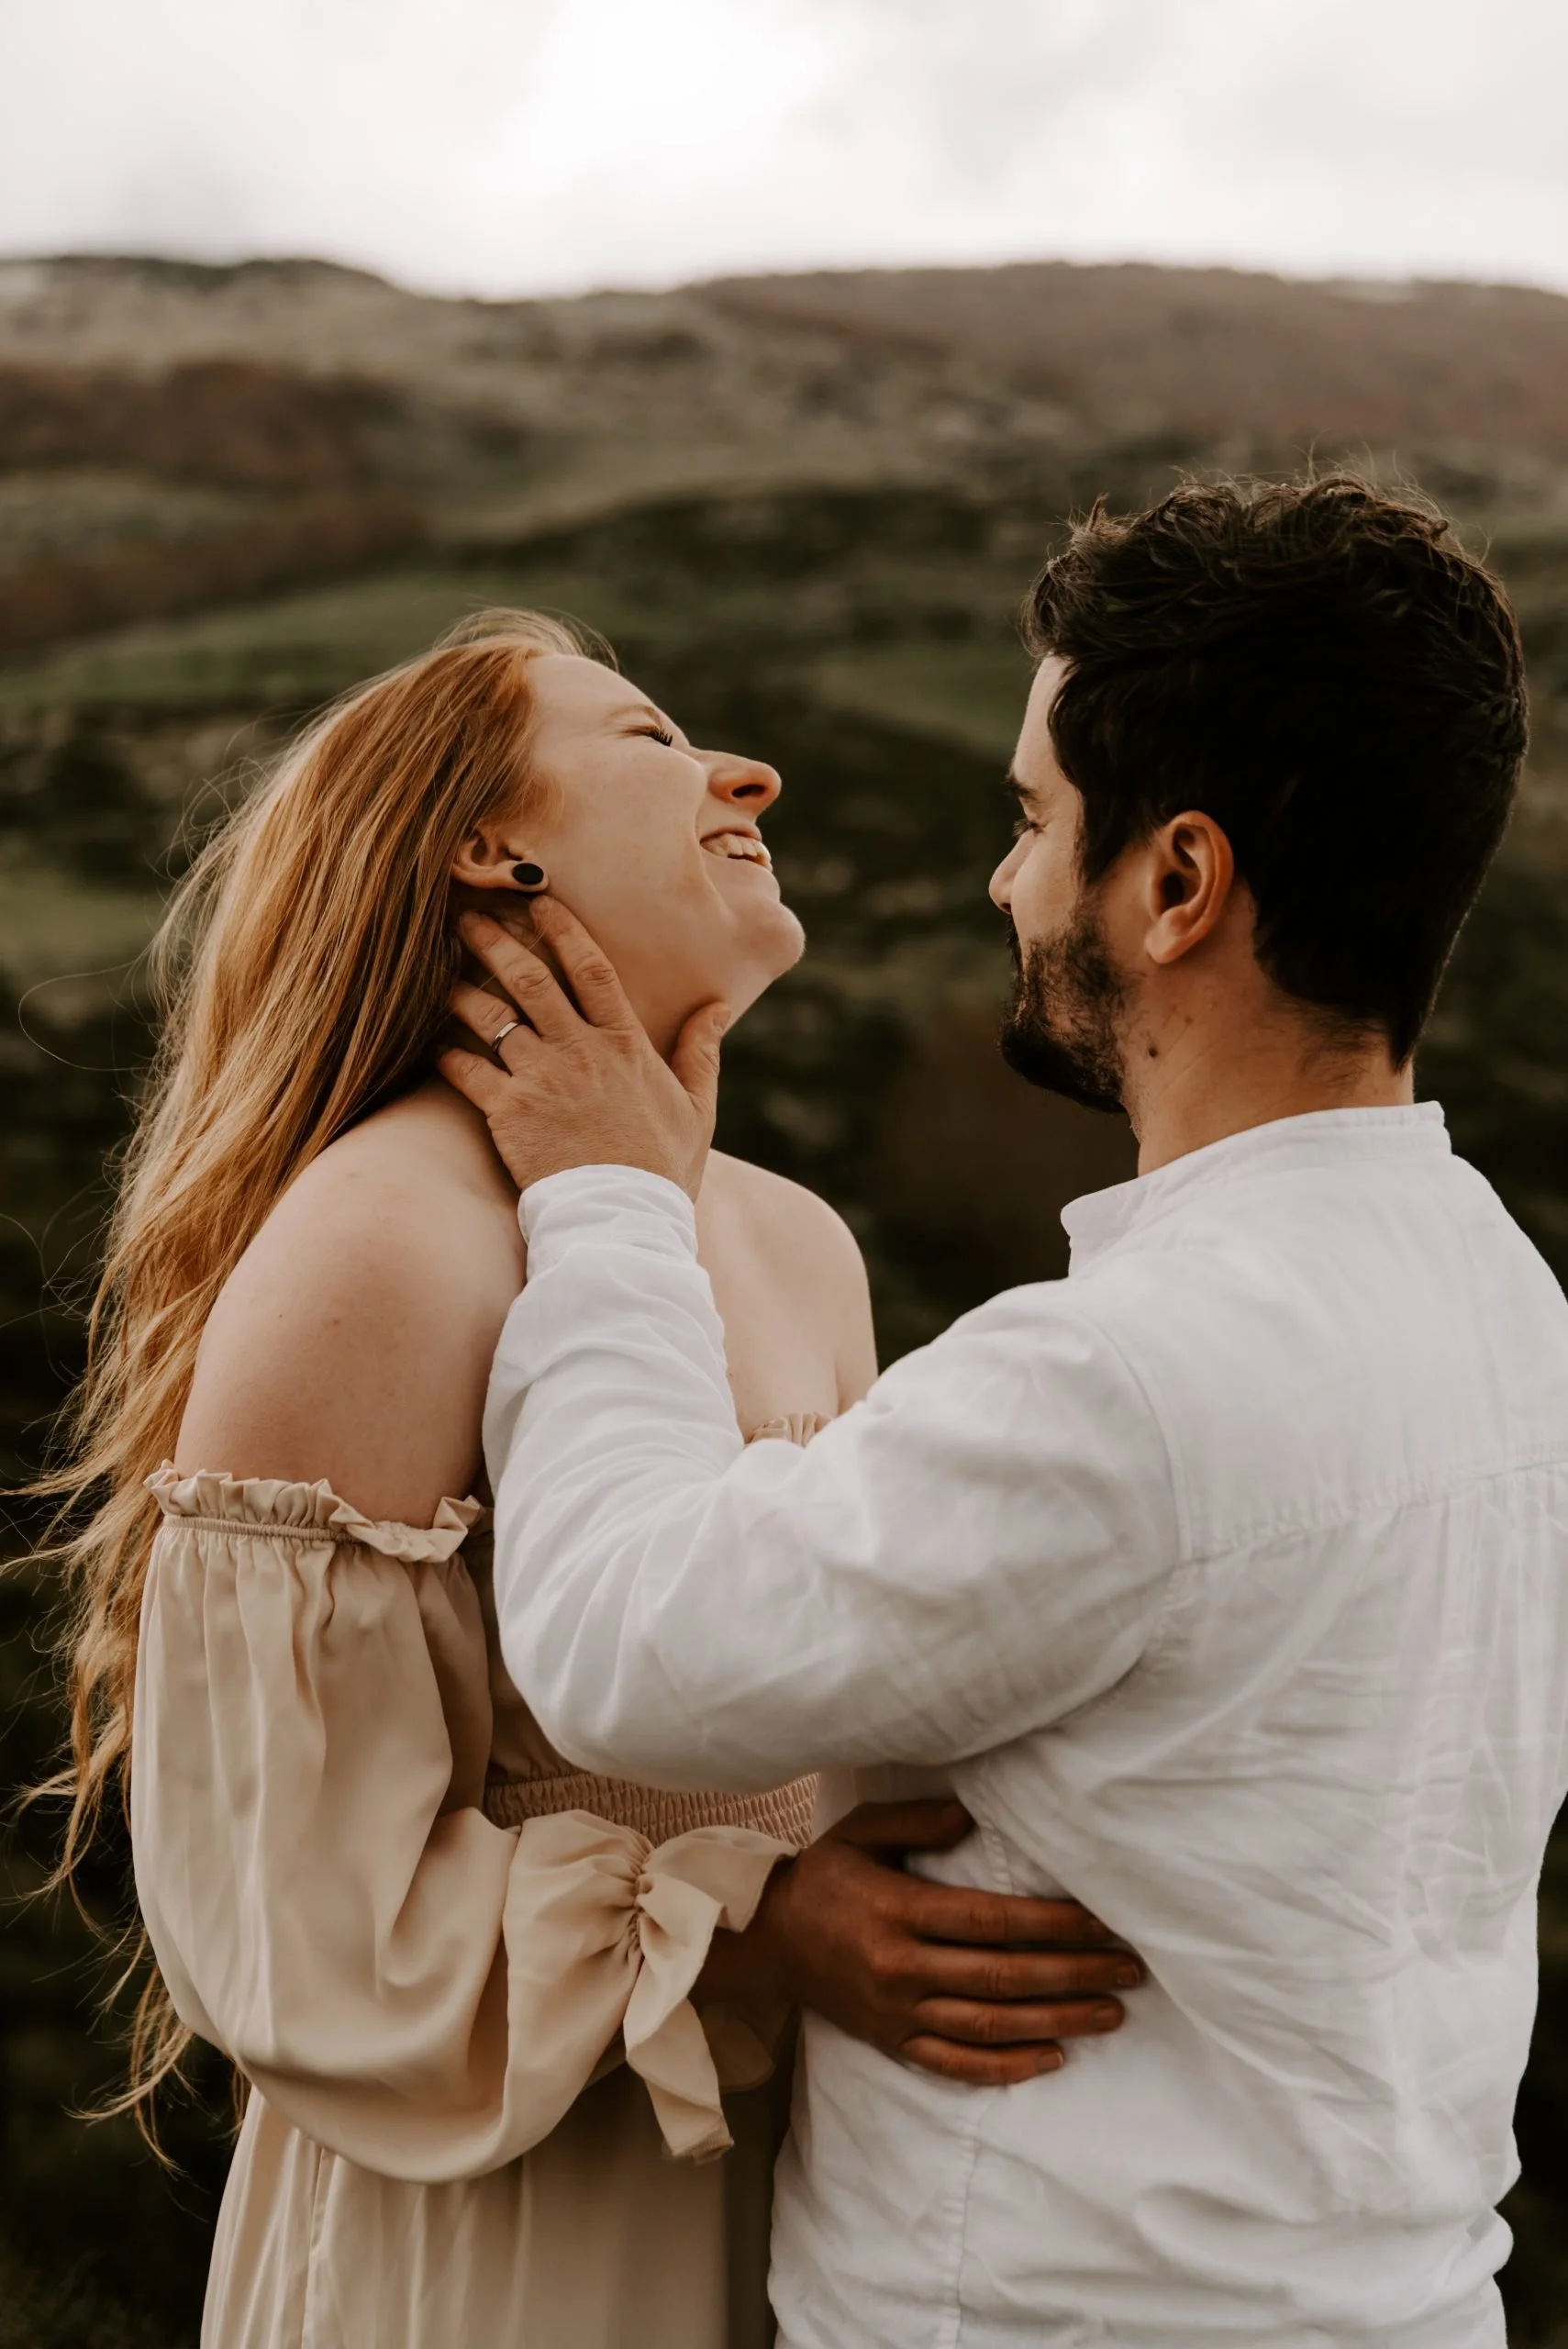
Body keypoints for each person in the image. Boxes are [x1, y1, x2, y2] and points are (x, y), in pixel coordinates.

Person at [447, 477, 1568, 2349]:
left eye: (1035, 821)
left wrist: (607, 1193)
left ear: (1176, 881)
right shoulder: (1507, 1302)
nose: (999, 880)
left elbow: (615, 1637)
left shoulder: (1116, 1377)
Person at [45, 612, 1139, 2349]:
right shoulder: (381, 1240)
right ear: (492, 848)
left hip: (811, 2210)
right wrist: (758, 1936)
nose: (748, 773)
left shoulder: (797, 1242)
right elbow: (285, 1913)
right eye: (648, 738)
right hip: (505, 2244)